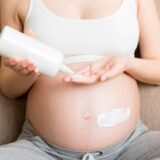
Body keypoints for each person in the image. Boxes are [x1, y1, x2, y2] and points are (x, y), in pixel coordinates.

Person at [0, 0, 160, 159]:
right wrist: (26, 73)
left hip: (133, 147)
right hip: (41, 150)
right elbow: (9, 89)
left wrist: (127, 63)